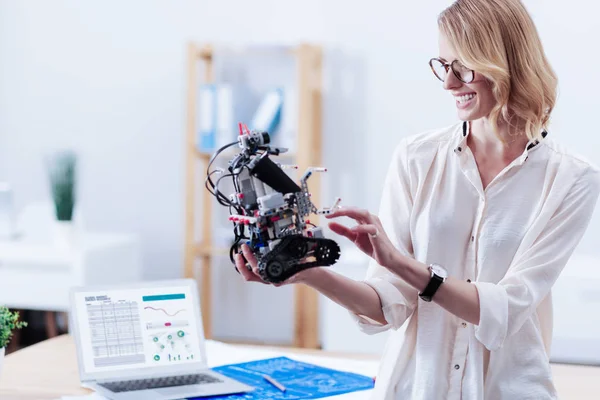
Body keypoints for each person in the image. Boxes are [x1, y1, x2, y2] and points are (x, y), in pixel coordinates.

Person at [235, 0, 600, 398]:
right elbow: (388, 304)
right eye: (443, 66)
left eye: (462, 67)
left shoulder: (570, 178)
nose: (448, 83)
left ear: (505, 61)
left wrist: (400, 263)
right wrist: (308, 273)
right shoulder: (417, 158)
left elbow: (506, 310)